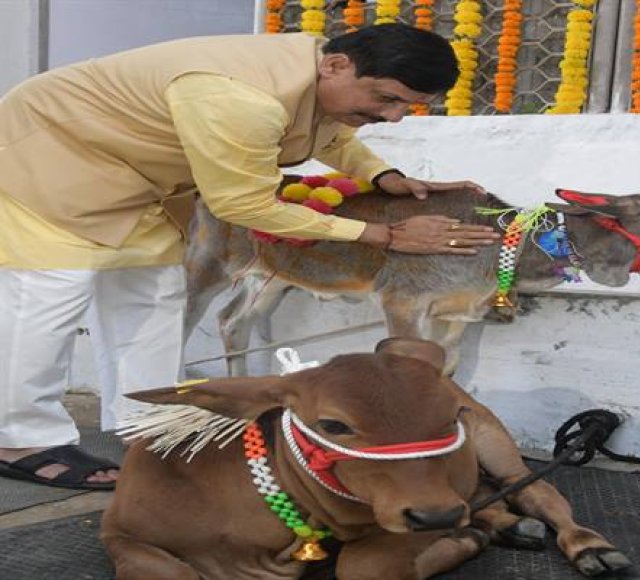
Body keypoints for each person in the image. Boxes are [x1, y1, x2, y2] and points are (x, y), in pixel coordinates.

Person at [0, 23, 499, 490]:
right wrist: (382, 234)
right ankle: (20, 438)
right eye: (386, 99)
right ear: (338, 67)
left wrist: (387, 178)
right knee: (48, 296)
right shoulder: (241, 98)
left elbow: (332, 133)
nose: (392, 116)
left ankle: (148, 424)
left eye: (406, 107)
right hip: (50, 156)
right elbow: (243, 204)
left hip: (135, 178)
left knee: (154, 296)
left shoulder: (313, 66)